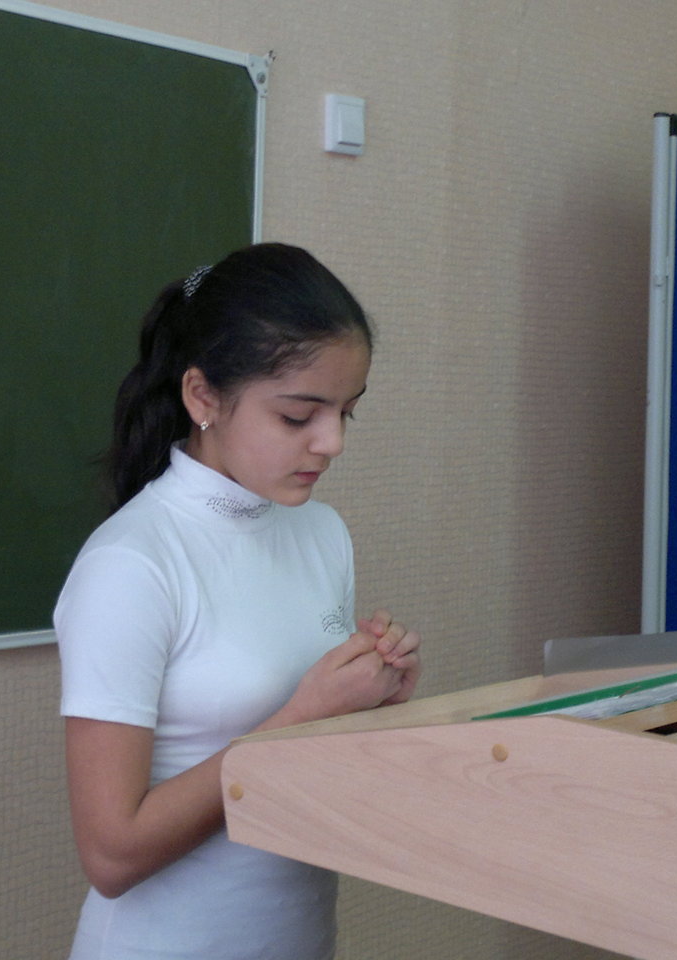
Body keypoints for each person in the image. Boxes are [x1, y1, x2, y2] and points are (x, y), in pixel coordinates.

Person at [54, 243, 422, 960]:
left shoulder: (321, 533)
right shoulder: (132, 564)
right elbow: (111, 854)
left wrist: (372, 702)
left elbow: (309, 772)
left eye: (347, 413)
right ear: (202, 398)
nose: (331, 443)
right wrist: (301, 716)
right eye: (298, 417)